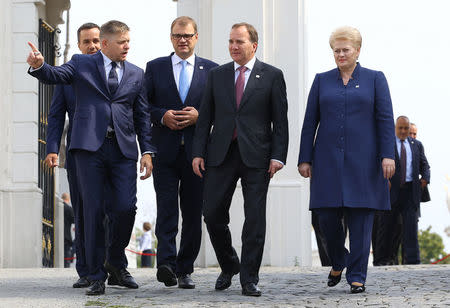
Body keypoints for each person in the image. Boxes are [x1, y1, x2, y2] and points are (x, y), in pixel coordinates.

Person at [27, 20, 155, 295]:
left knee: (124, 208)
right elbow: (55, 76)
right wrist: (39, 65)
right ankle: (96, 275)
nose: (127, 47)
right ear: (107, 44)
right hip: (88, 150)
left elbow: (142, 116)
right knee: (92, 211)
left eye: (129, 42)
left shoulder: (136, 73)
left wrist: (147, 151)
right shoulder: (81, 64)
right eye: (122, 43)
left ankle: (114, 259)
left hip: (122, 151)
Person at [192, 22, 288, 297]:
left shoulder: (271, 75)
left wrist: (278, 156)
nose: (234, 46)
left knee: (254, 218)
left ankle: (249, 278)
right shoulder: (217, 75)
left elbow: (280, 122)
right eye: (231, 41)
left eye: (240, 42)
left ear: (253, 45)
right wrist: (198, 152)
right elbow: (205, 118)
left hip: (257, 155)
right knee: (211, 213)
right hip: (220, 153)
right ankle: (230, 263)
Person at [298, 26, 395, 294]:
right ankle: (339, 259)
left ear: (357, 51)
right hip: (326, 160)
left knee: (361, 219)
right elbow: (310, 123)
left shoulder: (376, 79)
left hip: (365, 161)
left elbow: (385, 119)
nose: (340, 54)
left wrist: (388, 155)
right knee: (325, 217)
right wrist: (304, 158)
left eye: (345, 50)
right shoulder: (321, 80)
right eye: (336, 50)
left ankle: (357, 276)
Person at [144, 16, 218, 289]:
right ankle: (166, 264)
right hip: (164, 150)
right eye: (177, 35)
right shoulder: (155, 67)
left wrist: (202, 115)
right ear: (171, 38)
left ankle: (185, 268)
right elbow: (142, 105)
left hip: (198, 154)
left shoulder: (212, 70)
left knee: (192, 212)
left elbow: (223, 110)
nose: (182, 40)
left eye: (187, 35)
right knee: (166, 209)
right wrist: (162, 116)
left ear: (196, 37)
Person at [44, 22, 101, 287]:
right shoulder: (69, 76)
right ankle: (86, 271)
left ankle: (113, 264)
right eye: (87, 42)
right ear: (79, 46)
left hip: (113, 153)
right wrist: (53, 148)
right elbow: (56, 116)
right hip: (78, 154)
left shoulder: (117, 70)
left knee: (112, 210)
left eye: (97, 40)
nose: (92, 46)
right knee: (82, 211)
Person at [372, 116, 430, 265]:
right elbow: (376, 165)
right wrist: (383, 181)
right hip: (391, 191)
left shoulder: (416, 145)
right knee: (386, 227)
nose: (403, 131)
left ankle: (412, 260)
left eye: (406, 128)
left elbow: (425, 165)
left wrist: (425, 178)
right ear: (395, 128)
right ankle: (381, 260)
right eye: (400, 128)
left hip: (410, 192)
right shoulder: (386, 144)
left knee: (411, 228)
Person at [62, 193, 74, 268]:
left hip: (55, 235)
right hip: (66, 236)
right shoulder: (69, 209)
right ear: (68, 199)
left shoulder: (56, 207)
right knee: (66, 256)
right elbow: (74, 220)